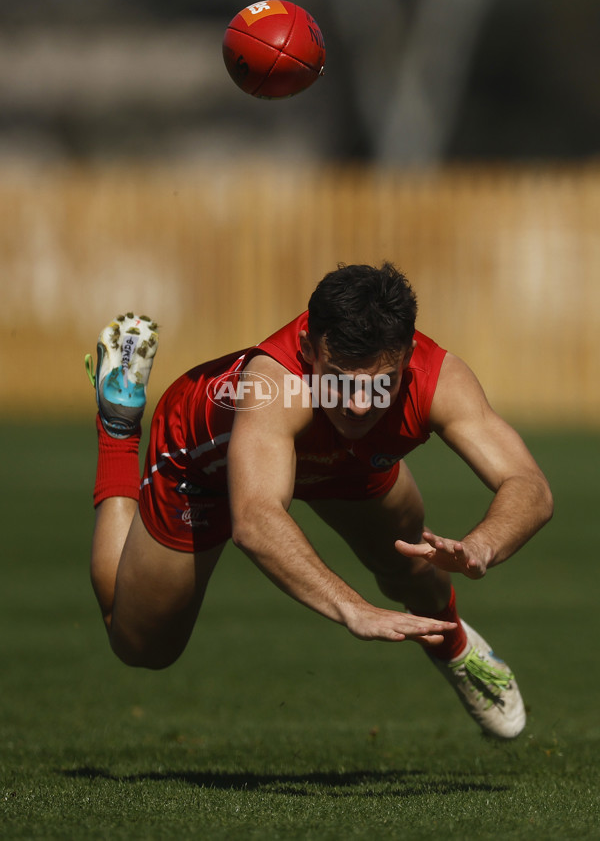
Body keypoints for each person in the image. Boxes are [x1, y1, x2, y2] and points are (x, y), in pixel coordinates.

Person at [86, 263, 553, 739]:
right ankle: (118, 424)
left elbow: (529, 483)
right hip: (205, 467)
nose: (358, 405)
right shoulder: (273, 385)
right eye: (340, 380)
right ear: (308, 349)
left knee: (412, 566)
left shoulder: (438, 378)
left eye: (380, 384)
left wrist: (483, 545)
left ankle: (454, 647)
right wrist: (353, 607)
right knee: (143, 647)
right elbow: (255, 518)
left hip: (345, 460)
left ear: (408, 357)